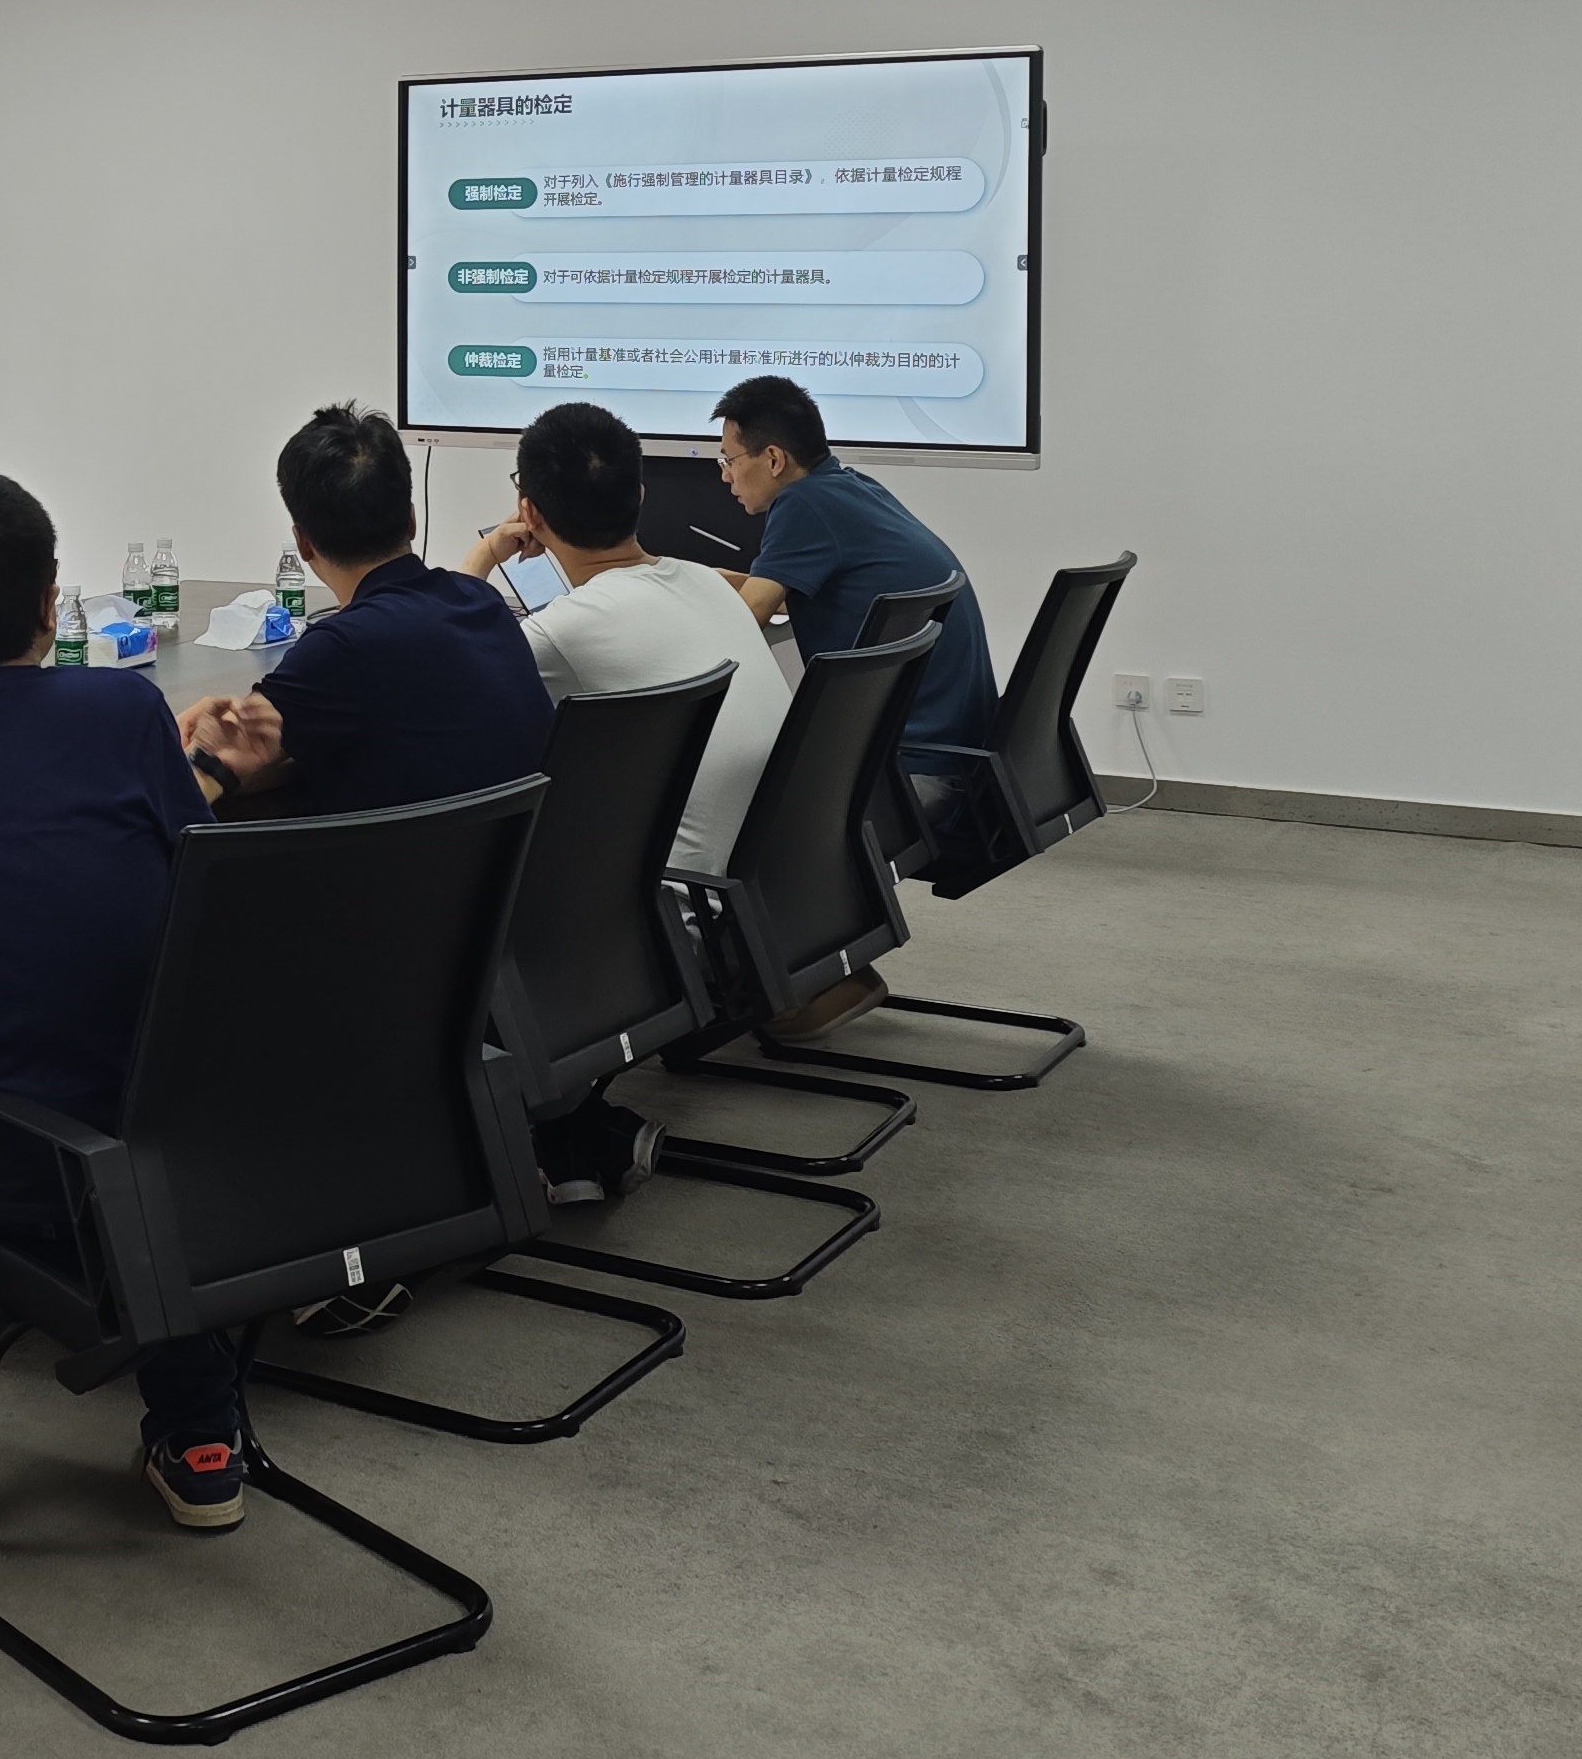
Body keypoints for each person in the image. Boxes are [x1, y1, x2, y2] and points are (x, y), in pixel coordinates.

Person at [0, 467, 252, 1533]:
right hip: (199, 1159)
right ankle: (201, 1421)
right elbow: (195, 868)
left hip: (4, 1172)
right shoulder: (119, 707)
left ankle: (198, 1411)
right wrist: (203, 768)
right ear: (49, 603)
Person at [459, 401, 795, 1204]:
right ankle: (571, 1130)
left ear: (532, 511)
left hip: (662, 933)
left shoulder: (563, 632)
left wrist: (484, 553)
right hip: (764, 898)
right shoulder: (711, 585)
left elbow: (436, 655)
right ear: (640, 495)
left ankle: (539, 1130)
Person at [712, 373, 1002, 1040]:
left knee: (733, 808)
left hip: (912, 774)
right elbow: (787, 588)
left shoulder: (802, 507)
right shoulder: (848, 488)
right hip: (952, 755)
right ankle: (828, 968)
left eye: (729, 460)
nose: (725, 478)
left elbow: (747, 619)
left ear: (773, 458)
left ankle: (813, 979)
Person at [179, 401, 550, 820]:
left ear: (303, 544)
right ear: (411, 520)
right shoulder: (484, 602)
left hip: (392, 862)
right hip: (509, 856)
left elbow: (216, 773)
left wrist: (202, 754)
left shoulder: (339, 649)